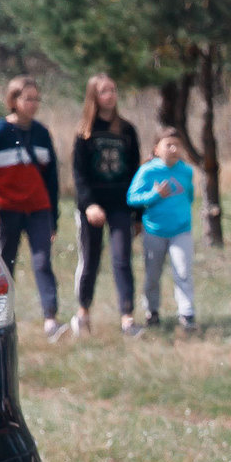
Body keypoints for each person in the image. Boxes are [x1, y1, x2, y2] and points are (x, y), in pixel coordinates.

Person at [0, 75, 64, 339]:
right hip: (8, 211)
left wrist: (54, 218)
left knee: (42, 262)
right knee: (6, 263)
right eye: (28, 98)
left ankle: (51, 320)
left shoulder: (41, 133)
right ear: (13, 100)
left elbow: (51, 179)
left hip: (38, 209)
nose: (33, 104)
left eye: (37, 99)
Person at [70, 73, 141, 337]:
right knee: (90, 260)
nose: (110, 95)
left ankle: (128, 318)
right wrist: (89, 205)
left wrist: (138, 214)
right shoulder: (84, 132)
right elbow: (78, 175)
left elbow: (136, 174)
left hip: (121, 205)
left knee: (122, 259)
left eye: (113, 90)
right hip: (93, 208)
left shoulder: (127, 130)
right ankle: (83, 312)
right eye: (104, 91)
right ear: (94, 96)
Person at [129, 126, 197, 329]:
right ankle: (152, 311)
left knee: (183, 271)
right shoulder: (148, 171)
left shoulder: (186, 171)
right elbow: (132, 198)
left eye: (177, 145)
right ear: (156, 148)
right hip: (154, 231)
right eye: (168, 145)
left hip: (181, 230)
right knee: (152, 275)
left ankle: (187, 313)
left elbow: (190, 195)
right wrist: (154, 195)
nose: (173, 149)